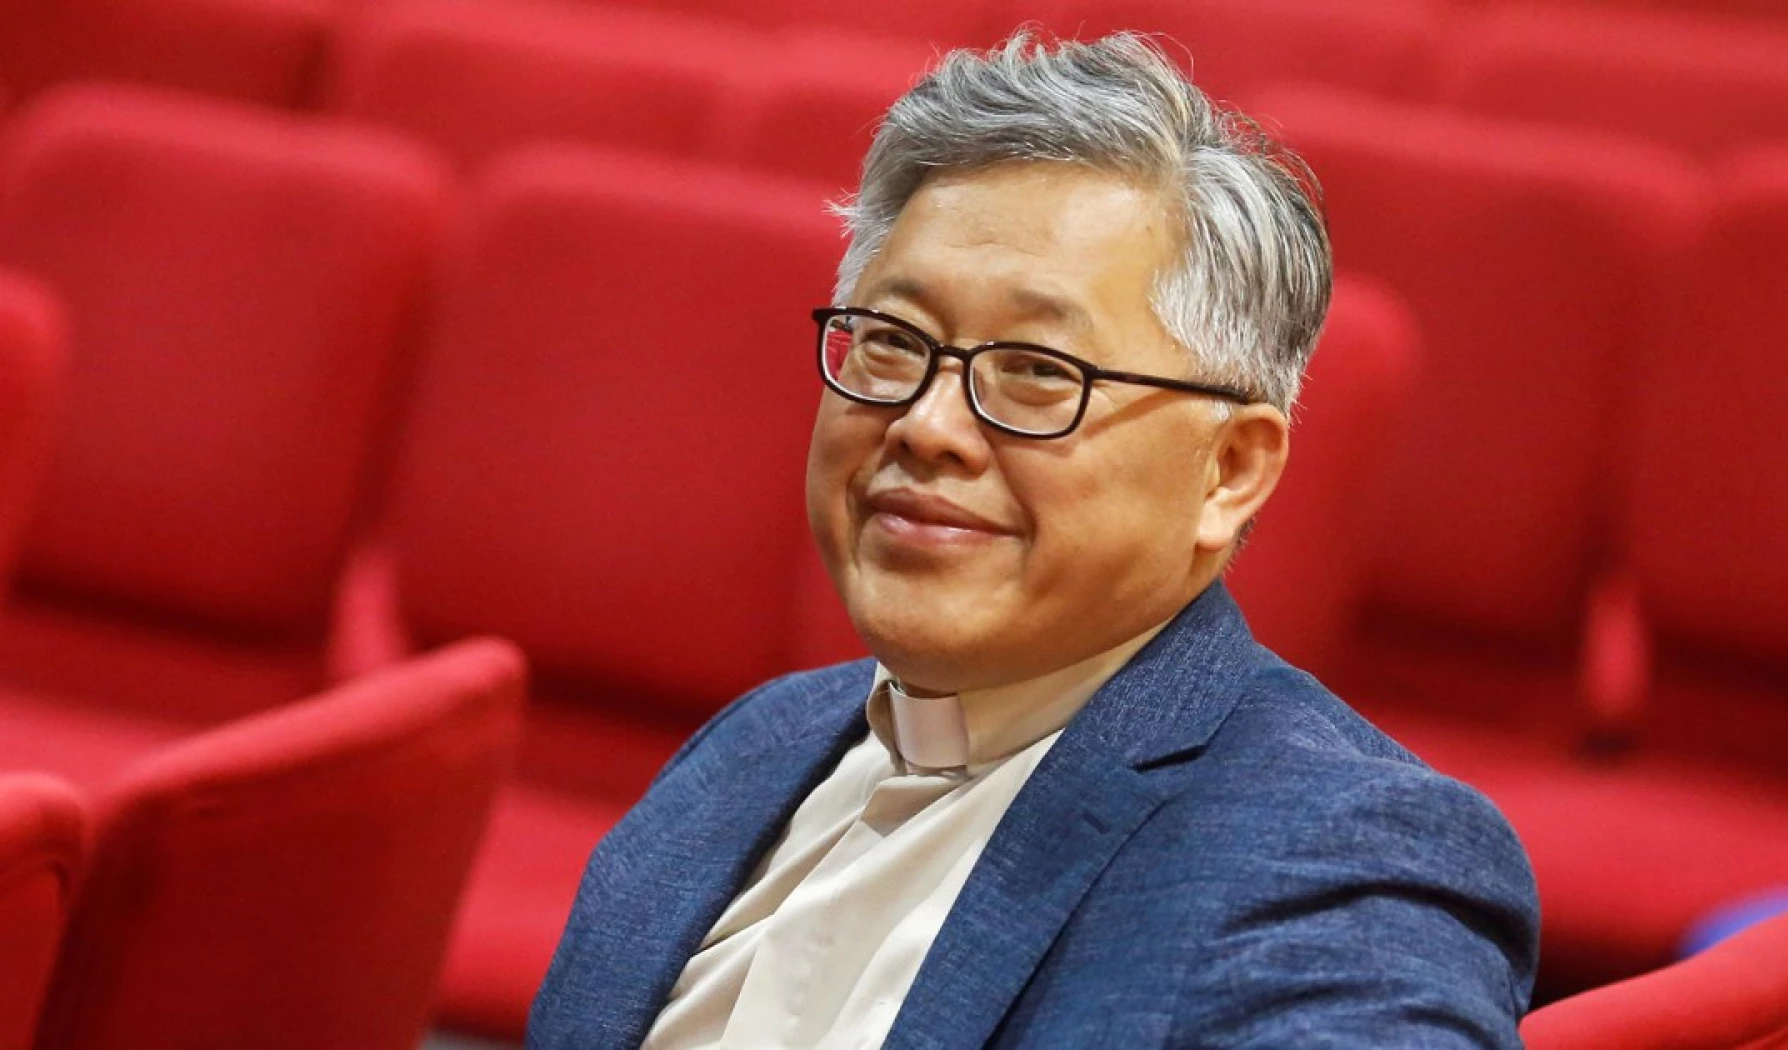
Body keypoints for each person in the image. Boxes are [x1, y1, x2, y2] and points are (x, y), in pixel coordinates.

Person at [527, 30, 1537, 1049]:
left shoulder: (1335, 867)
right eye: (892, 342)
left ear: (1227, 470)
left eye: (1039, 372)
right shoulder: (752, 747)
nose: (925, 425)